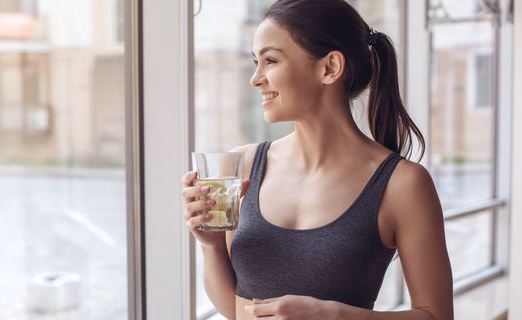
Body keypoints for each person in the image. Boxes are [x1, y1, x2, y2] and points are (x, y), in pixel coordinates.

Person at [181, 0, 453, 319]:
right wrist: (210, 245)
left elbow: (436, 315)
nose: (255, 78)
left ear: (329, 68)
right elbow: (236, 310)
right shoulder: (242, 164)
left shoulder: (403, 184)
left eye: (270, 60)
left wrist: (335, 315)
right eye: (256, 62)